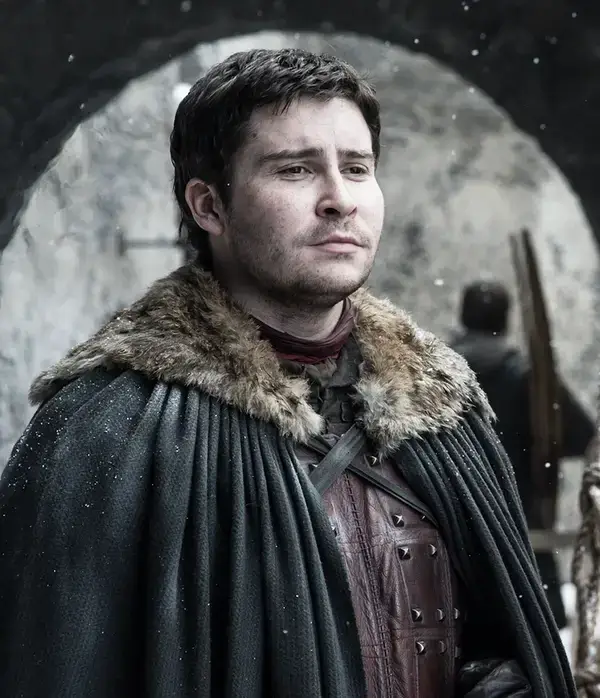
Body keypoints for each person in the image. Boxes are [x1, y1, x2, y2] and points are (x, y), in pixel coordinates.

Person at [0, 49, 574, 698]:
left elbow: (506, 638)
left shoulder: (443, 408)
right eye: (296, 169)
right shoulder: (108, 429)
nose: (340, 200)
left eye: (356, 168)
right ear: (209, 206)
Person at [451, 280, 595, 630]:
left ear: (464, 317)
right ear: (505, 320)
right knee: (540, 633)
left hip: (455, 540)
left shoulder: (436, 378)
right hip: (526, 541)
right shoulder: (530, 379)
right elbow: (582, 436)